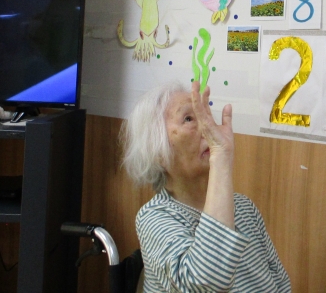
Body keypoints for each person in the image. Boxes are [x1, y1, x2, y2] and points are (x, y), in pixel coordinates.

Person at [120, 80, 291, 292]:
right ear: (158, 152)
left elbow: (281, 283)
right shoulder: (154, 218)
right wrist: (221, 157)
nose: (208, 128)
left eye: (205, 116)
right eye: (189, 119)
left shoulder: (245, 208)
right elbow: (208, 284)